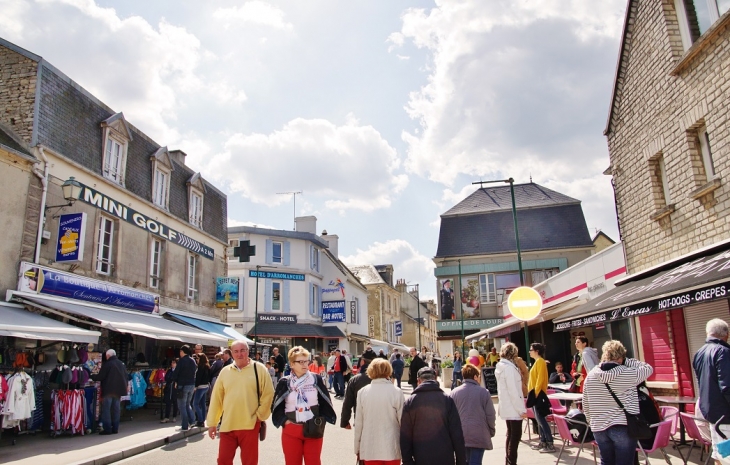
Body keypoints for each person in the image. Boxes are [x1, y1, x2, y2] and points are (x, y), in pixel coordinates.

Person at [583, 340, 653, 465]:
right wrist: (627, 361)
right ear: (620, 358)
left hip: (598, 426)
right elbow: (648, 368)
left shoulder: (591, 375)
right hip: (622, 425)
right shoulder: (627, 373)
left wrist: (591, 421)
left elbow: (586, 404)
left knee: (606, 462)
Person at [207, 340, 274, 465]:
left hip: (250, 425)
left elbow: (268, 394)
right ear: (231, 353)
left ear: (248, 351)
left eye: (243, 350)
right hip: (228, 425)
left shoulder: (259, 369)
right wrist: (212, 423)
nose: (239, 354)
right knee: (223, 461)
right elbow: (217, 399)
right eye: (236, 351)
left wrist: (260, 416)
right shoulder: (225, 372)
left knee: (249, 462)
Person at [272, 346, 336, 465]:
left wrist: (320, 420)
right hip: (291, 430)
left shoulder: (315, 379)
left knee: (313, 462)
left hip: (313, 429)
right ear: (291, 364)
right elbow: (276, 405)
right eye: (300, 362)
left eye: (306, 361)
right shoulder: (285, 382)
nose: (305, 364)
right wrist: (285, 421)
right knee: (292, 462)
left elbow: (325, 401)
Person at [400, 366, 466, 465]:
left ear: (418, 381)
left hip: (420, 458)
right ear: (435, 379)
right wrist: (461, 462)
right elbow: (457, 434)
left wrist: (407, 461)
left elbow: (405, 436)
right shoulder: (446, 400)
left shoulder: (410, 402)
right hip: (445, 458)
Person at [693, 318, 730, 465]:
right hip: (726, 415)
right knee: (726, 455)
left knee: (719, 453)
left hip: (711, 414)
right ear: (725, 334)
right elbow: (727, 386)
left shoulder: (699, 353)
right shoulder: (724, 352)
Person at [354, 358, 404, 464]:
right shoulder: (396, 392)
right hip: (392, 446)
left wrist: (357, 448)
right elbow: (403, 422)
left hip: (369, 447)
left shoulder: (362, 392)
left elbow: (359, 423)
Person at [450, 363, 496, 465]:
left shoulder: (454, 393)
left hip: (460, 435)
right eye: (479, 376)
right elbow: (490, 415)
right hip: (479, 434)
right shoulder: (484, 392)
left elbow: (450, 416)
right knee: (475, 462)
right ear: (475, 377)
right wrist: (491, 430)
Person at [495, 343, 527, 465]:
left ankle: (509, 461)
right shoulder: (509, 368)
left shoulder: (502, 367)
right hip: (513, 408)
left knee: (510, 435)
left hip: (507, 407)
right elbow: (514, 390)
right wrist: (521, 410)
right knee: (515, 436)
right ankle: (511, 462)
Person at [91, 349, 127, 435]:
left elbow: (101, 376)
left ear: (108, 356)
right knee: (116, 409)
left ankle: (107, 429)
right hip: (118, 390)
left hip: (108, 390)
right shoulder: (121, 364)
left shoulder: (107, 364)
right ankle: (115, 428)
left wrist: (92, 376)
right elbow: (126, 376)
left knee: (106, 410)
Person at [528, 342, 554, 453]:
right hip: (535, 393)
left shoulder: (540, 362)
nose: (529, 351)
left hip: (538, 394)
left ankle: (549, 442)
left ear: (536, 351)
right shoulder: (537, 362)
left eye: (531, 349)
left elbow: (540, 379)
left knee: (541, 419)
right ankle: (543, 441)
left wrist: (536, 393)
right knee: (539, 419)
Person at [341, 350, 375, 429]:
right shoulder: (384, 379)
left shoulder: (355, 380)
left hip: (360, 418)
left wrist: (344, 421)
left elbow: (348, 402)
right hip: (381, 421)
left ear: (362, 361)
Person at [172, 344, 197, 432]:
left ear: (182, 352)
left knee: (182, 405)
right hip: (191, 384)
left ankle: (184, 425)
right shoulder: (192, 360)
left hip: (183, 385)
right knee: (187, 404)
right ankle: (192, 421)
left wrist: (175, 381)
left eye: (180, 351)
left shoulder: (182, 361)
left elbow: (176, 372)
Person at [193, 353, 211, 427]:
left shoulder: (200, 367)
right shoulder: (207, 366)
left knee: (195, 404)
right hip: (206, 386)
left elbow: (198, 378)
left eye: (197, 358)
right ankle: (203, 419)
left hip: (200, 387)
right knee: (203, 404)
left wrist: (195, 386)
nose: (196, 360)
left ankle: (200, 420)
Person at [160, 358, 178, 423]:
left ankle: (174, 416)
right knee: (168, 403)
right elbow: (166, 378)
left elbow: (176, 378)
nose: (172, 364)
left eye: (173, 363)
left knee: (175, 402)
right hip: (168, 388)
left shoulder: (178, 371)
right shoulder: (169, 371)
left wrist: (172, 380)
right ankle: (166, 417)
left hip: (175, 389)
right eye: (172, 363)